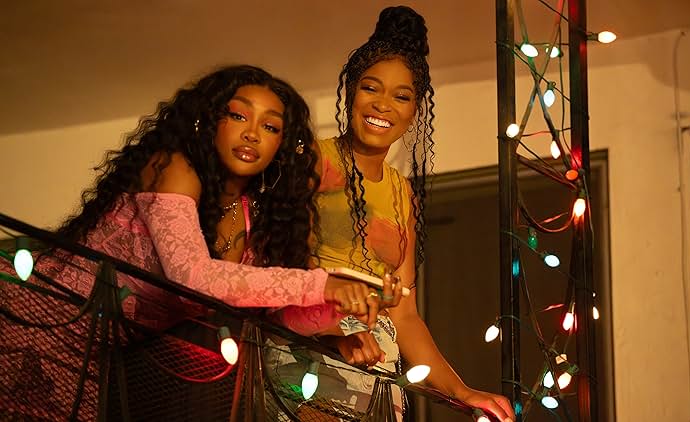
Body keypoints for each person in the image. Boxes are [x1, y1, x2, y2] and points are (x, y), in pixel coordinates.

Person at [0, 65, 401, 420]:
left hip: (103, 354)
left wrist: (337, 315)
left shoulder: (258, 219)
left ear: (282, 145)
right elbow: (192, 276)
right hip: (37, 316)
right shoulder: (174, 167)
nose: (252, 133)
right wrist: (323, 284)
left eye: (270, 127)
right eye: (238, 115)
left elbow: (271, 320)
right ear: (209, 120)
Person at [270, 7, 515, 422]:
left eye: (401, 97)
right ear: (351, 90)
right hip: (308, 352)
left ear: (415, 110)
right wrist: (333, 333)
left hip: (378, 372)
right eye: (371, 88)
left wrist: (462, 391)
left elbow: (405, 315)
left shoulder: (403, 195)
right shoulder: (312, 160)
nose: (383, 105)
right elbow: (279, 266)